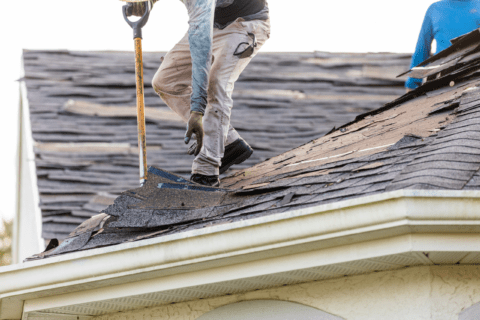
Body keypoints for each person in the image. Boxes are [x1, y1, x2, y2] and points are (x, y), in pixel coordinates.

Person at [128, 0, 270, 187]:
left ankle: (206, 174)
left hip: (245, 24)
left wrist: (197, 110)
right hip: (212, 23)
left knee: (216, 83)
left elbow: (201, 53)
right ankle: (228, 143)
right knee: (165, 81)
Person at [406, 0, 480, 92]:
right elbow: (422, 51)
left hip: (475, 82)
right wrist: (412, 84)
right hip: (441, 83)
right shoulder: (434, 9)